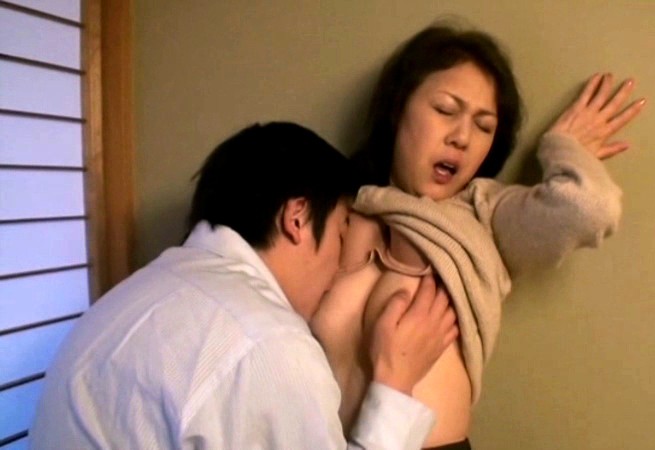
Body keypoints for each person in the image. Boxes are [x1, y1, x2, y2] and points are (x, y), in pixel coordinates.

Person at [310, 24, 646, 449]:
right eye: (445, 109)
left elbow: (591, 207)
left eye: (484, 126)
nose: (462, 137)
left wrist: (562, 145)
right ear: (398, 108)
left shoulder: (483, 213)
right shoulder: (336, 213)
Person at [29, 122, 459, 449]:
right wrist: (394, 383)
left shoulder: (126, 298)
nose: (342, 264)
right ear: (297, 218)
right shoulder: (268, 344)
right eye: (343, 231)